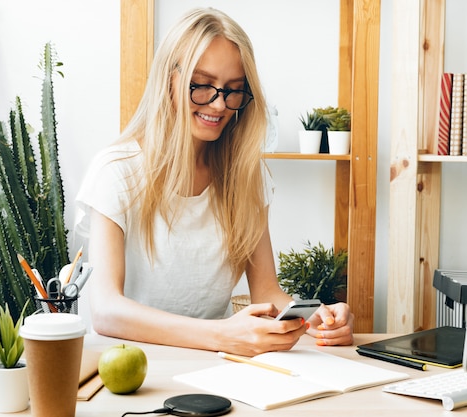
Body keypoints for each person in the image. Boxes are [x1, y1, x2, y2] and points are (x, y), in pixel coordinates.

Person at [75, 7, 353, 356]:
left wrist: (319, 317)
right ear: (169, 79)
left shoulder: (245, 178)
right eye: (203, 85)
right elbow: (106, 311)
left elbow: (267, 292)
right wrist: (220, 335)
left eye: (233, 90)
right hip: (129, 367)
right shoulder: (116, 171)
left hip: (215, 366)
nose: (220, 105)